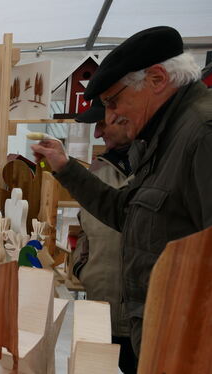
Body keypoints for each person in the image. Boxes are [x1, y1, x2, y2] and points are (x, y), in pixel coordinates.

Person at [31, 26, 212, 355]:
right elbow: (126, 213)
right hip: (159, 335)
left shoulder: (202, 133)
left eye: (113, 102)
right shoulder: (164, 137)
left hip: (183, 347)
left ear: (157, 79)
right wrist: (65, 167)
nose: (111, 116)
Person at [71, 100, 136, 373]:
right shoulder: (99, 168)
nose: (97, 134)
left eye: (101, 123)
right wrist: (82, 266)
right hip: (102, 306)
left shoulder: (160, 166)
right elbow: (84, 227)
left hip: (146, 318)